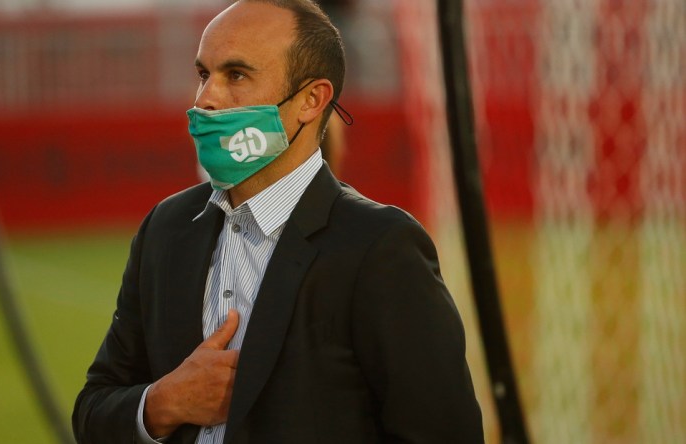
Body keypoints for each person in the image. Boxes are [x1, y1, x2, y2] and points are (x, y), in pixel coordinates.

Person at [72, 1, 483, 443]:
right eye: (203, 74)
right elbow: (93, 411)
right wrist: (163, 402)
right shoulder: (166, 229)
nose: (206, 98)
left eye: (237, 75)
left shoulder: (381, 248)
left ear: (311, 100)